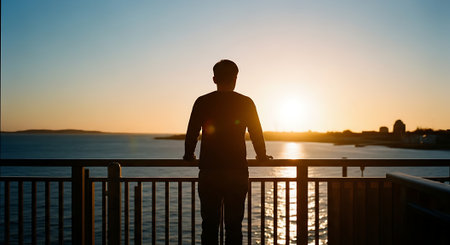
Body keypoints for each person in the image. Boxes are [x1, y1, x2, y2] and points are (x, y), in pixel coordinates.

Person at [183, 59, 272, 244]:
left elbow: (192, 132)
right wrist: (262, 155)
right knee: (234, 227)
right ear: (235, 78)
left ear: (214, 79)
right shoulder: (246, 103)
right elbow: (256, 132)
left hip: (209, 170)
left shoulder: (202, 101)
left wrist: (189, 155)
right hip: (237, 170)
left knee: (209, 226)